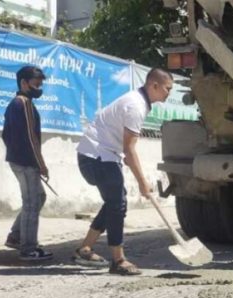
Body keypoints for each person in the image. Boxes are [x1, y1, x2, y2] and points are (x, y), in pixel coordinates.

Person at [74, 68, 173, 275]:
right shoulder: (135, 106)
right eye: (167, 88)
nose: (168, 93)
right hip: (97, 156)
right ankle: (118, 260)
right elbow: (129, 151)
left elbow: (127, 152)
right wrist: (142, 183)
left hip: (101, 154)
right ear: (154, 85)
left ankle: (85, 248)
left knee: (116, 201)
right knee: (117, 203)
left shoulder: (139, 101)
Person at [1, 66, 52, 261]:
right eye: (36, 83)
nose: (39, 87)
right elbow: (32, 138)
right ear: (24, 83)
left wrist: (15, 153)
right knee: (32, 203)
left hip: (17, 160)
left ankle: (16, 236)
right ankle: (28, 248)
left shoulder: (14, 104)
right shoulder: (24, 103)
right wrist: (41, 164)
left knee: (39, 197)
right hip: (27, 162)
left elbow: (5, 135)